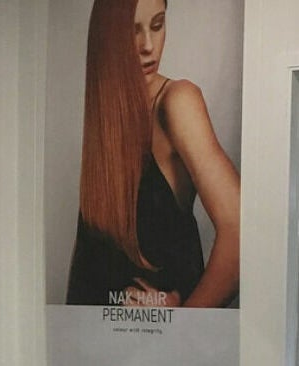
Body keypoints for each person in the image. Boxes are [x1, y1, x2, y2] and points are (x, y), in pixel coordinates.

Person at [66, 0, 240, 308]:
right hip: (98, 343)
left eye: (158, 25)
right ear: (108, 36)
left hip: (157, 348)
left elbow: (241, 231)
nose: (149, 45)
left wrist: (182, 324)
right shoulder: (105, 118)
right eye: (133, 32)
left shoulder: (177, 102)